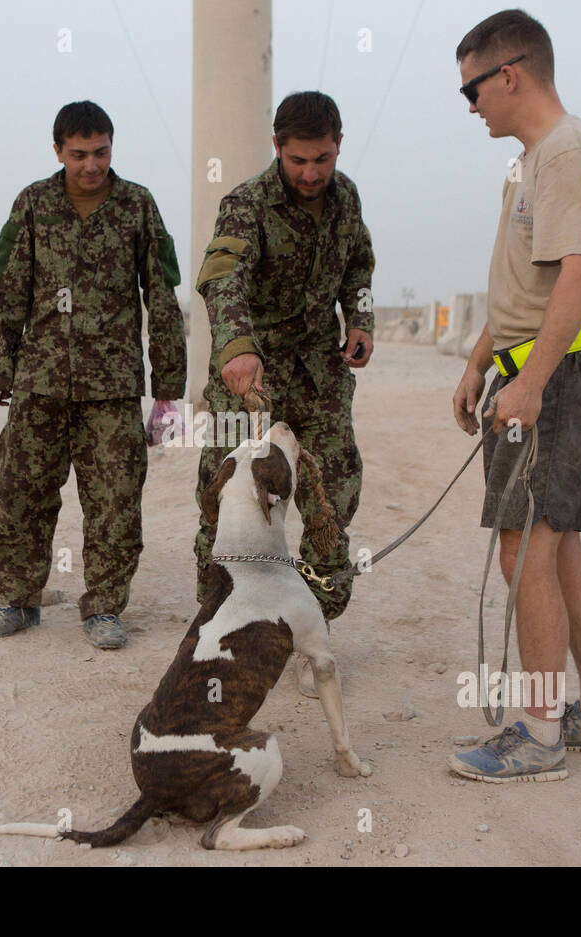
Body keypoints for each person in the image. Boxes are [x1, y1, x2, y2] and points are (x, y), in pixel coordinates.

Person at [446, 10, 581, 783]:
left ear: (509, 75)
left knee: (526, 551)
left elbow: (580, 276)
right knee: (559, 550)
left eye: (472, 91)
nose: (472, 106)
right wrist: (480, 361)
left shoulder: (568, 154)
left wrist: (529, 381)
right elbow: (531, 285)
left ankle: (541, 734)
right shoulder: (532, 162)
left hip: (559, 384)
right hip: (545, 375)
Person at [0, 101, 186, 649]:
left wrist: (168, 391)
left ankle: (105, 608)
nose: (91, 165)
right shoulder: (33, 204)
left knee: (116, 499)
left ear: (112, 148)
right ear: (58, 152)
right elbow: (7, 289)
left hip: (112, 386)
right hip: (40, 379)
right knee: (21, 492)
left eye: (101, 152)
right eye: (79, 155)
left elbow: (161, 297)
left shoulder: (138, 206)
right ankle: (17, 599)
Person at [193, 91, 375, 664]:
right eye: (298, 160)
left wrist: (361, 319)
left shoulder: (346, 198)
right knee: (229, 506)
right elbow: (222, 278)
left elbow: (360, 265)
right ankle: (222, 628)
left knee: (333, 501)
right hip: (249, 378)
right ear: (277, 148)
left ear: (338, 145)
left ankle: (313, 627)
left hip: (319, 375)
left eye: (322, 158)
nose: (311, 172)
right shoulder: (246, 202)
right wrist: (239, 346)